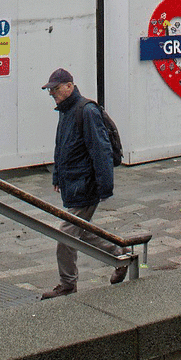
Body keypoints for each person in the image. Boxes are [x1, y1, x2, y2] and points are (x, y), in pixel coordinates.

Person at [39, 67, 126, 298]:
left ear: (70, 86)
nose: (52, 94)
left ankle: (67, 284)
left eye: (56, 89)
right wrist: (57, 176)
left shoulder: (86, 111)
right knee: (80, 230)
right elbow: (62, 146)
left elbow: (101, 150)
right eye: (50, 90)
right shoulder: (66, 111)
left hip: (86, 185)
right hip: (73, 184)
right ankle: (121, 255)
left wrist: (105, 186)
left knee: (66, 235)